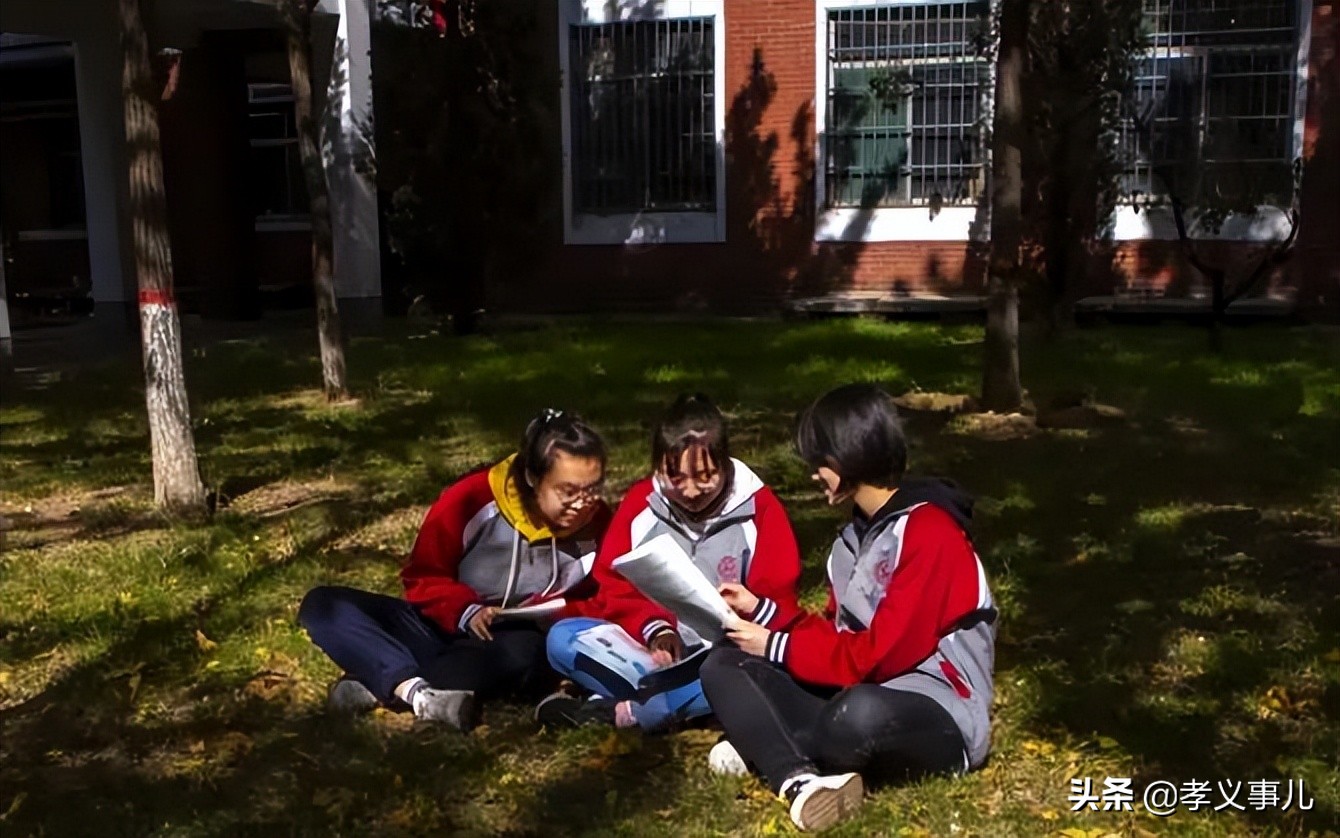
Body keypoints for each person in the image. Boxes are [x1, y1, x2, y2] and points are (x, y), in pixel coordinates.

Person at [699, 384, 996, 832]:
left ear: (849, 454)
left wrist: (777, 646)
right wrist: (763, 614)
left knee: (854, 718)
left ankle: (766, 739)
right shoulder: (848, 544)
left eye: (820, 460)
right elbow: (839, 643)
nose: (814, 474)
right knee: (723, 663)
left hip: (937, 709)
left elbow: (881, 655)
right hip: (861, 690)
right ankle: (800, 781)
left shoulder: (930, 532)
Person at [297, 409, 611, 730]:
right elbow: (423, 575)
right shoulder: (473, 498)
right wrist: (465, 610)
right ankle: (415, 690)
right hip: (439, 621)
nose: (584, 503)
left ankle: (385, 678)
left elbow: (603, 597)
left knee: (522, 656)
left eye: (594, 489)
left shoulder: (599, 522)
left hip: (505, 641)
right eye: (568, 491)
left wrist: (549, 616)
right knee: (322, 606)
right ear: (533, 477)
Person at [535, 393, 803, 732]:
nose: (690, 491)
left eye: (705, 476)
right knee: (563, 638)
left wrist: (740, 619)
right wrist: (656, 629)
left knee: (745, 673)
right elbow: (614, 586)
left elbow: (778, 604)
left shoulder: (760, 510)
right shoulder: (639, 504)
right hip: (651, 654)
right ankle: (679, 705)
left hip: (728, 655)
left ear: (725, 464)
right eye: (675, 478)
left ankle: (626, 711)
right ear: (657, 466)